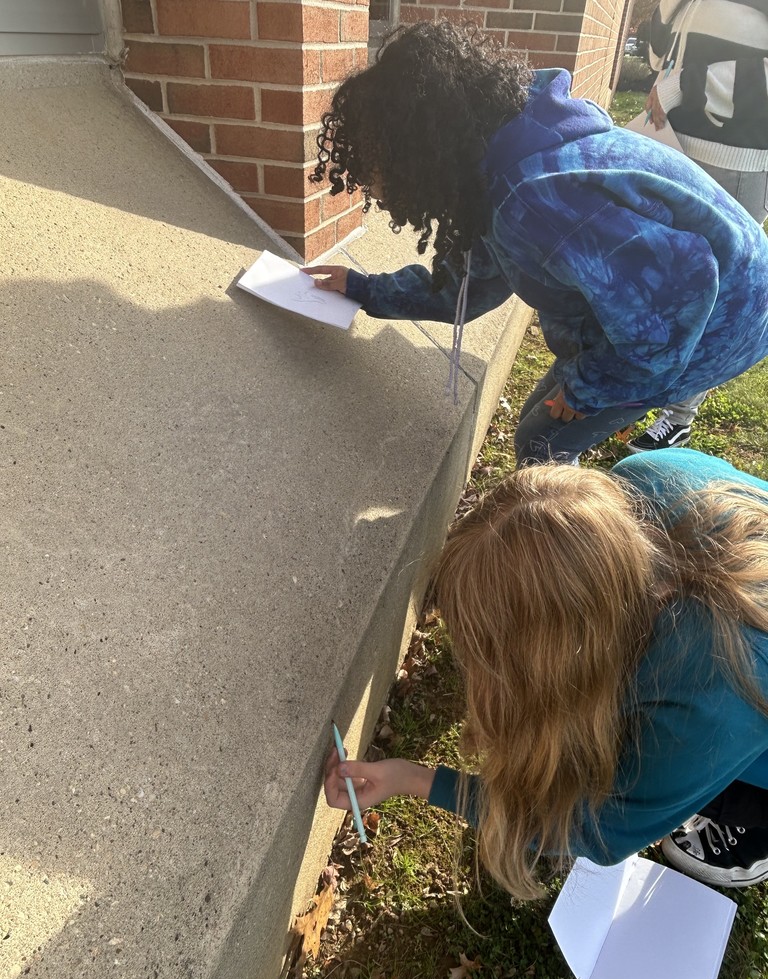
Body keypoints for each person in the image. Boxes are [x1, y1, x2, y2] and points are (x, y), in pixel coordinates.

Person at [303, 21, 768, 467]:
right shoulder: (501, 156)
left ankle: (570, 541)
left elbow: (673, 307)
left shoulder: (535, 201)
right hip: (683, 305)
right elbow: (468, 286)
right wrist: (364, 288)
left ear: (418, 150)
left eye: (373, 163)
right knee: (543, 418)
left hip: (725, 316)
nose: (368, 181)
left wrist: (593, 388)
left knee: (542, 439)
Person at [325, 448, 768, 898]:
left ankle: (752, 843)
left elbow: (600, 831)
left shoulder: (710, 697)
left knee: (688, 778)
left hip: (748, 717)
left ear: (565, 661)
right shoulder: (642, 479)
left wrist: (421, 781)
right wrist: (403, 776)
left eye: (497, 661)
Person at [627, 0, 768, 454]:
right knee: (656, 278)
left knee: (715, 294)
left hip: (737, 165)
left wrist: (683, 85)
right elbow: (658, 54)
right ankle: (627, 389)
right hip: (672, 145)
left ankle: (679, 417)